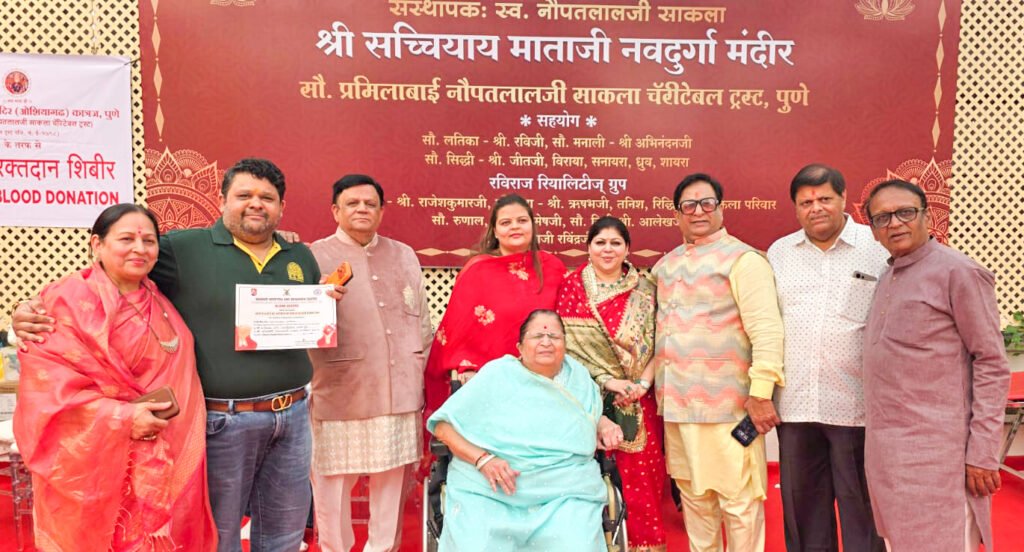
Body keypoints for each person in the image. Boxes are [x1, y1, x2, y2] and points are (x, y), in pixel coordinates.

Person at [13, 158, 339, 552]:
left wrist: (323, 299)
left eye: (267, 198)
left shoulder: (299, 255)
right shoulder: (182, 248)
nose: (256, 204)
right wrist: (26, 309)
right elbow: (112, 270)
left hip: (293, 416)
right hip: (224, 423)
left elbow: (307, 311)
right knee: (221, 535)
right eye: (244, 195)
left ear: (281, 207)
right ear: (222, 200)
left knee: (285, 532)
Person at [13, 204, 217, 550]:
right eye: (126, 239)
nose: (140, 248)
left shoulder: (160, 296)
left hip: (167, 447)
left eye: (149, 241)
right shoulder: (64, 300)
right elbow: (47, 391)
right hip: (95, 463)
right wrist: (122, 418)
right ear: (97, 244)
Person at [862, 179, 1010, 552]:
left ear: (927, 217)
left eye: (905, 212)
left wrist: (983, 452)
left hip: (940, 458)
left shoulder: (958, 272)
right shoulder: (888, 274)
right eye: (882, 218)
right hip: (888, 456)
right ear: (874, 230)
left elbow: (992, 363)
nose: (895, 223)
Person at [653, 172, 785, 552]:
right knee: (695, 501)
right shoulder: (665, 266)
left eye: (707, 203)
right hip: (677, 410)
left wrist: (761, 393)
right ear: (677, 214)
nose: (698, 211)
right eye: (689, 205)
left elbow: (767, 331)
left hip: (729, 410)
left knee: (738, 504)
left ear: (720, 209)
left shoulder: (744, 261)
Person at [427, 309, 624, 550]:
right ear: (519, 347)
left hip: (565, 492)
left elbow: (584, 415)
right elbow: (443, 427)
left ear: (565, 345)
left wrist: (603, 423)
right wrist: (483, 460)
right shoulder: (498, 375)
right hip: (491, 489)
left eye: (554, 336)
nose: (546, 342)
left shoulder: (578, 378)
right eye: (537, 336)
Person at [306, 174, 432, 552]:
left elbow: (423, 323)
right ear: (335, 210)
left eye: (370, 204)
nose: (362, 209)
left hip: (397, 392)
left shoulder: (404, 254)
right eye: (352, 203)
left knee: (390, 486)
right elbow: (299, 324)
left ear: (381, 211)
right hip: (338, 390)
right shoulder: (312, 256)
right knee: (332, 486)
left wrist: (416, 373)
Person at [766, 164, 887, 551]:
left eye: (824, 199)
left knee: (862, 511)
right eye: (806, 202)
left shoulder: (877, 246)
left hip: (857, 406)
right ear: (795, 207)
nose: (815, 208)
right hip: (795, 406)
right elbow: (767, 324)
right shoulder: (780, 252)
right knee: (803, 512)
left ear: (844, 198)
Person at [556, 216, 666, 552]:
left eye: (616, 243)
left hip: (639, 398)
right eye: (600, 242)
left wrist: (641, 383)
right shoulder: (571, 287)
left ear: (627, 248)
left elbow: (662, 343)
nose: (608, 249)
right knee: (590, 482)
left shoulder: (646, 291)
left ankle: (645, 545)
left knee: (644, 483)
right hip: (586, 396)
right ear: (588, 247)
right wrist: (607, 380)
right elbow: (566, 350)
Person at [424, 193, 566, 417]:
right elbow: (457, 328)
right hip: (488, 381)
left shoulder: (552, 267)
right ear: (495, 231)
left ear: (532, 225)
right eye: (506, 222)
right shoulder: (478, 270)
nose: (515, 227)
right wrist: (466, 365)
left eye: (522, 220)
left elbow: (567, 322)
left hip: (545, 378)